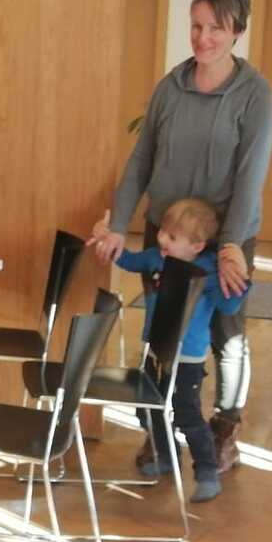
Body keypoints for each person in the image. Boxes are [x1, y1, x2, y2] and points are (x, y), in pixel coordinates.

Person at [92, 0, 272, 474]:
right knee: (165, 328)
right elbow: (141, 160)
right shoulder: (170, 87)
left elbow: (250, 175)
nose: (203, 37)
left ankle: (223, 430)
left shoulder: (254, 94)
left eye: (216, 28)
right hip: (169, 233)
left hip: (223, 239)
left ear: (237, 31)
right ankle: (159, 430)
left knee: (225, 332)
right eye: (196, 25)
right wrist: (118, 224)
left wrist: (231, 245)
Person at [93, 198, 248, 503]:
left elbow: (230, 305)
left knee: (187, 413)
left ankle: (206, 472)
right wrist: (105, 239)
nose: (162, 239)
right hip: (154, 352)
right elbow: (127, 260)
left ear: (197, 246)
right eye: (162, 231)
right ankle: (166, 455)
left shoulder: (207, 272)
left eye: (173, 237)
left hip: (186, 360)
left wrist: (240, 274)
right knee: (147, 408)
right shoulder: (154, 258)